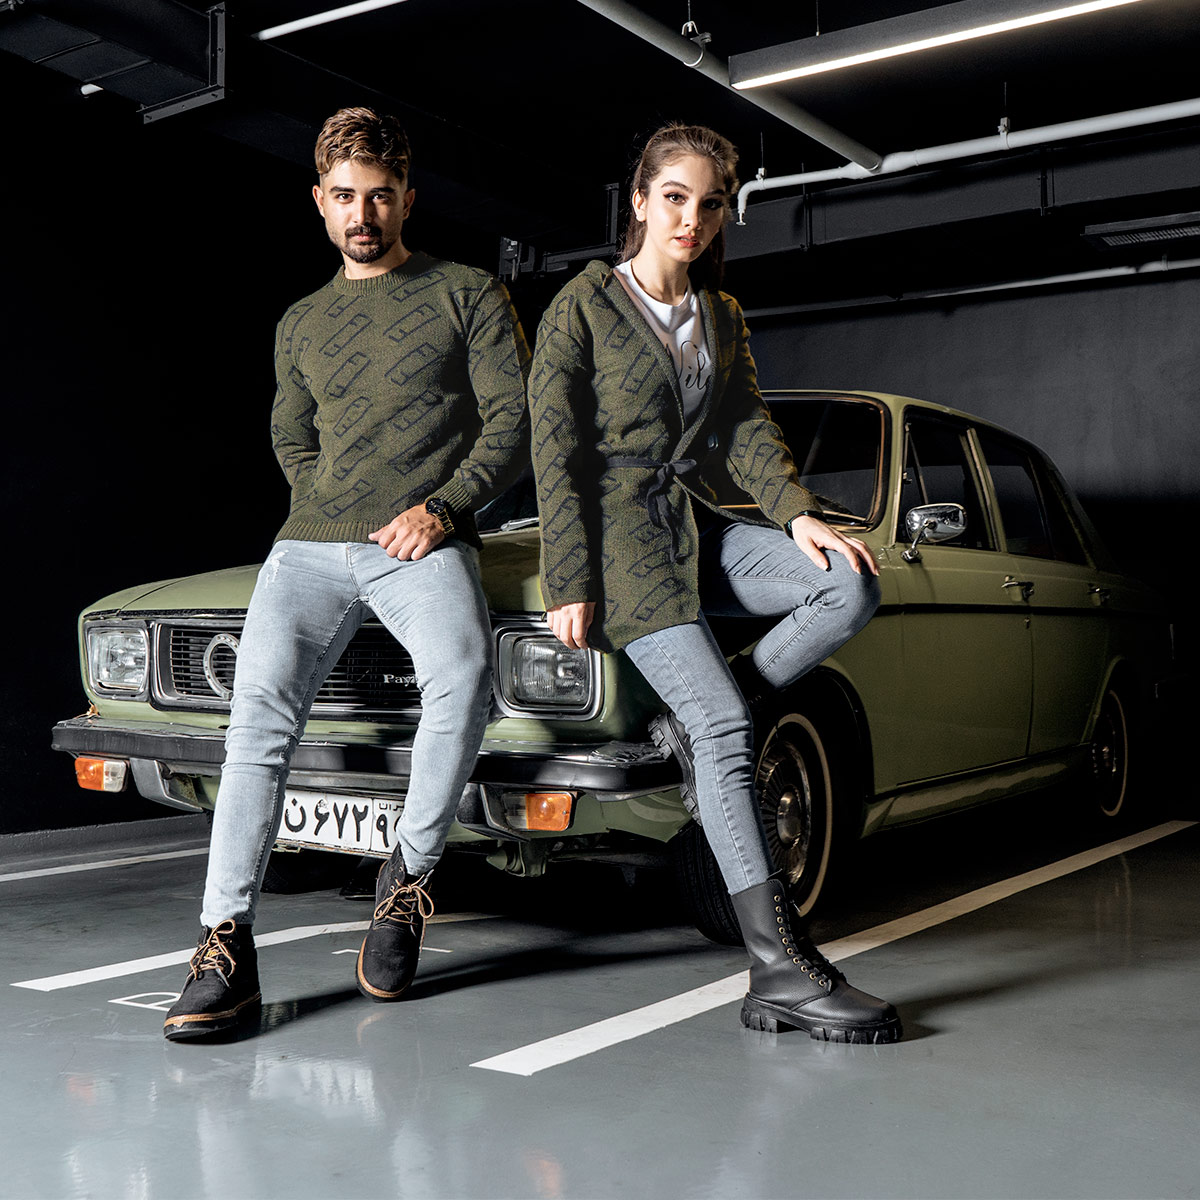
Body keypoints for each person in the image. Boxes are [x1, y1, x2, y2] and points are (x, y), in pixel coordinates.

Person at [528, 124, 902, 1044]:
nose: (690, 219)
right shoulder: (584, 304)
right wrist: (570, 577)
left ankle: (696, 718)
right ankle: (778, 971)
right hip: (622, 548)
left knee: (849, 585)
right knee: (728, 733)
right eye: (674, 198)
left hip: (693, 525)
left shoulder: (720, 313)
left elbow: (744, 426)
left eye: (709, 204)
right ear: (640, 200)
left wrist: (798, 515)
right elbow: (555, 451)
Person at [163, 107, 531, 1040]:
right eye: (344, 197)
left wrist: (442, 507)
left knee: (465, 678)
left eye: (380, 195)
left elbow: (514, 423)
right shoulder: (300, 321)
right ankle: (223, 944)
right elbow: (290, 435)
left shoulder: (468, 293)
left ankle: (406, 883)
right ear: (319, 202)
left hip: (423, 542)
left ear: (407, 197)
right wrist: (329, 506)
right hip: (311, 545)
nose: (362, 214)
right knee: (257, 722)